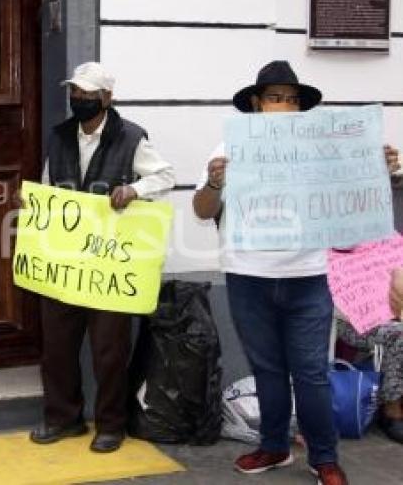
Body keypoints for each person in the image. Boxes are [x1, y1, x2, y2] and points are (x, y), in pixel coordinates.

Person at [193, 60, 401, 485]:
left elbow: (351, 202)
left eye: (291, 99)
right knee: (267, 368)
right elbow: (202, 210)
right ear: (256, 103)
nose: (283, 105)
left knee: (311, 373)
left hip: (308, 277)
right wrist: (215, 184)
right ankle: (274, 446)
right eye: (275, 98)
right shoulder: (229, 148)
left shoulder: (321, 149)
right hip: (248, 277)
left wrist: (375, 167)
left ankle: (323, 457)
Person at [29, 61, 176, 453]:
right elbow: (48, 186)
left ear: (107, 98)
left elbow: (165, 177)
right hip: (64, 262)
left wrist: (134, 191)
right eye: (74, 92)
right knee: (57, 346)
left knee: (109, 349)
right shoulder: (59, 136)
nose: (78, 99)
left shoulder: (131, 137)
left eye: (87, 94)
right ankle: (63, 418)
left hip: (109, 263)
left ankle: (111, 424)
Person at [336, 268, 403, 443]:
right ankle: (392, 409)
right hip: (356, 320)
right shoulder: (337, 252)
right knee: (399, 336)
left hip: (396, 314)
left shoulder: (392, 247)